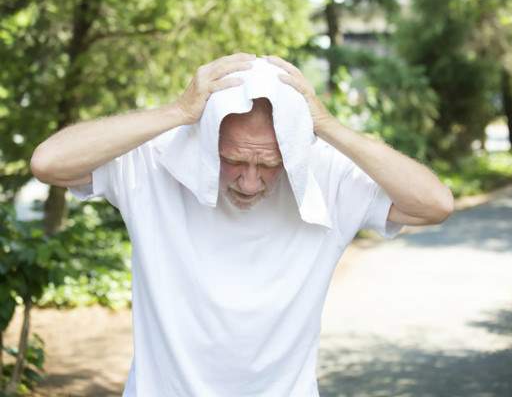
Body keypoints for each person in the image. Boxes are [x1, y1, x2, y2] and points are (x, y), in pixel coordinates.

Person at [30, 52, 454, 396]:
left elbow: (434, 204)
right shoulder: (154, 162)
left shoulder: (326, 178)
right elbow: (49, 163)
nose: (250, 182)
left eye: (268, 164)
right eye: (233, 160)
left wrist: (326, 125)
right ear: (206, 139)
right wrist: (178, 112)